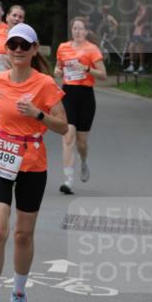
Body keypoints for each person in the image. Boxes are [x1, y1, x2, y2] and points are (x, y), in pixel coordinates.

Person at [0, 23, 67, 302]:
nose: (16, 51)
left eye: (23, 46)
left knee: (23, 233)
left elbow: (63, 127)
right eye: (12, 45)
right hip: (1, 154)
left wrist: (38, 114)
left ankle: (18, 293)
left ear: (33, 49)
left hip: (32, 161)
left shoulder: (44, 84)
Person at [55, 17, 106, 194]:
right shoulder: (63, 47)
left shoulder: (92, 50)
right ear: (71, 30)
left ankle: (83, 161)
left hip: (85, 96)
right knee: (68, 136)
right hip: (68, 93)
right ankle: (68, 180)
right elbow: (57, 68)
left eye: (80, 29)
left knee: (81, 142)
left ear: (86, 31)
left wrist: (86, 69)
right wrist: (58, 71)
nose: (77, 32)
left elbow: (103, 75)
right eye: (74, 29)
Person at [0, 4, 25, 74]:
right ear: (7, 17)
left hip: (16, 79)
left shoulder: (25, 39)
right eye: (14, 15)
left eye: (20, 17)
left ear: (23, 21)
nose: (17, 19)